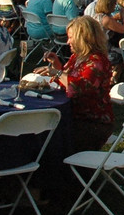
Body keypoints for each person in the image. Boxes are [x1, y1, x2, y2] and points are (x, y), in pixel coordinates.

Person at [39, 15, 114, 153]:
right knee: (43, 129)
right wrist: (57, 65)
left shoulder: (96, 62)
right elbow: (68, 80)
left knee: (48, 136)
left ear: (83, 38)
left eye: (70, 37)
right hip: (75, 115)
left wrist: (57, 73)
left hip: (91, 122)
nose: (68, 42)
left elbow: (77, 89)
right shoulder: (78, 57)